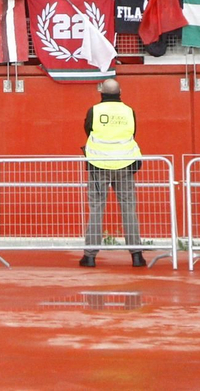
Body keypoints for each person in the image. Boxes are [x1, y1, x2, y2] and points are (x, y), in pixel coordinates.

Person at [81, 78, 145, 268]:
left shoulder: (94, 110)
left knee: (96, 210)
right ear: (120, 92)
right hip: (125, 165)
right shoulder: (129, 111)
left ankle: (90, 256)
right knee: (128, 209)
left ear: (101, 91)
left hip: (98, 165)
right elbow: (132, 133)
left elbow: (88, 130)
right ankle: (136, 255)